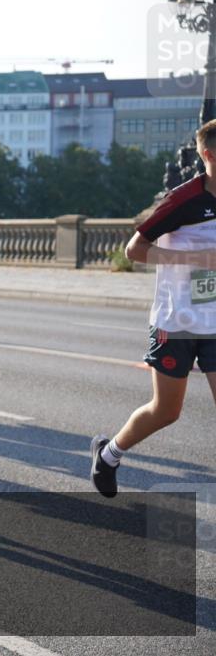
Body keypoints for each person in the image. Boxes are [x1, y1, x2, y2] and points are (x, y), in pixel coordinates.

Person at [91, 119, 216, 498]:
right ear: (209, 155)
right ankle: (109, 454)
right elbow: (134, 250)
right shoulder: (183, 199)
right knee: (166, 411)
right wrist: (196, 258)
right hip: (176, 320)